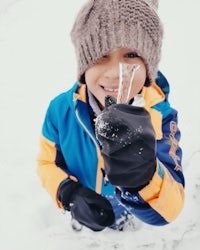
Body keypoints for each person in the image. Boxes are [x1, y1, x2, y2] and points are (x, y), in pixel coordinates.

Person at [37, 0, 185, 232]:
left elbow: (171, 208)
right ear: (84, 66)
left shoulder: (159, 116)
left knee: (122, 230)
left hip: (129, 204)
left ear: (149, 66)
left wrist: (143, 178)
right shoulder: (61, 110)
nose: (117, 73)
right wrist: (68, 192)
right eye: (100, 55)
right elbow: (46, 162)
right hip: (85, 198)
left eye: (132, 54)